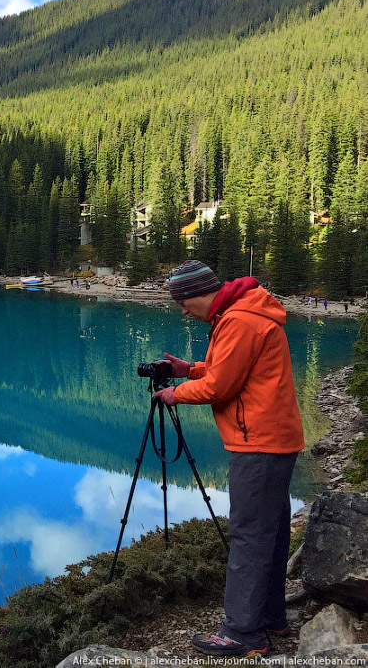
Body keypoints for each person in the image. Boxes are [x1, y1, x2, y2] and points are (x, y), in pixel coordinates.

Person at [154, 260, 304, 658]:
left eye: (184, 303)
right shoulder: (246, 312)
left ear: (202, 294)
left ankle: (242, 634)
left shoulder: (239, 321)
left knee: (250, 535)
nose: (184, 311)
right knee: (270, 532)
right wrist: (190, 370)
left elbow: (220, 387)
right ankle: (270, 617)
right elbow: (231, 370)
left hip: (258, 441)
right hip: (275, 438)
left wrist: (174, 394)